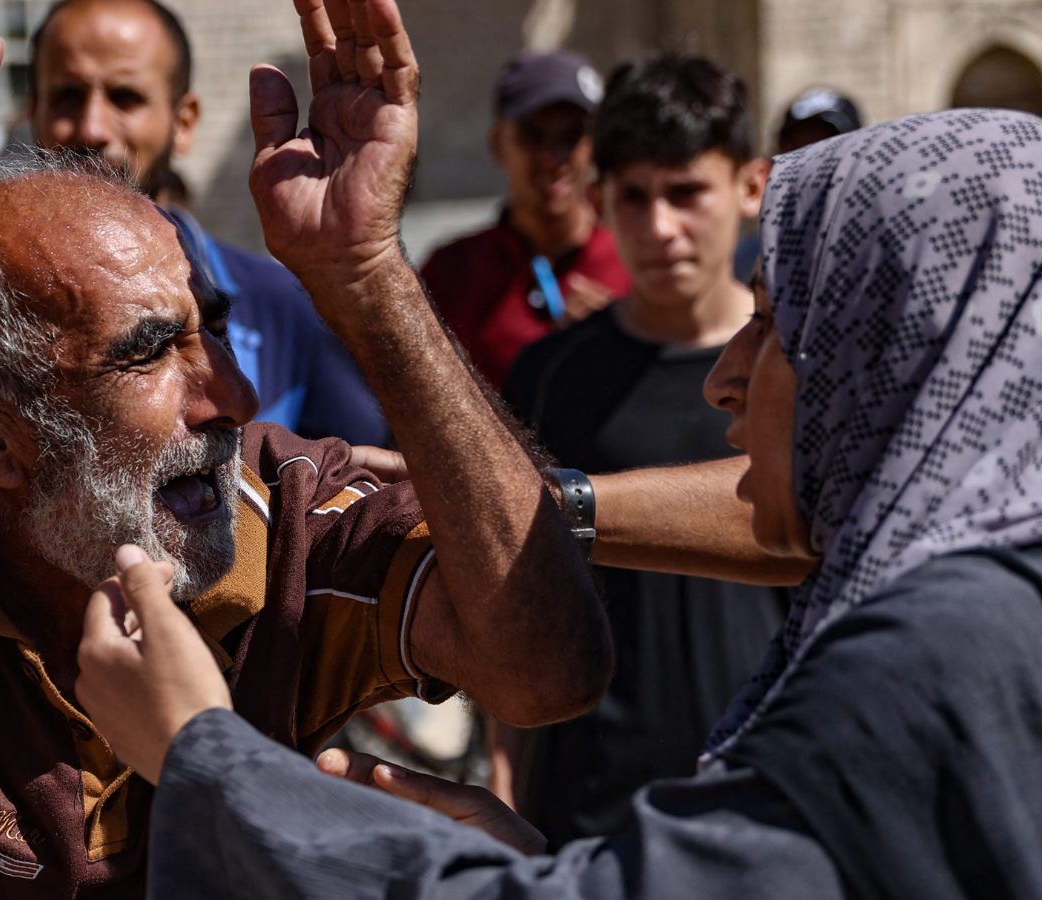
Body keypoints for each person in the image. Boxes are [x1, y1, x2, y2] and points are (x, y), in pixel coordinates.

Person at [80, 107, 1042, 899]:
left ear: (903, 352)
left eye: (778, 323)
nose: (727, 379)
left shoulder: (940, 654)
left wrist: (206, 756)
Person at [0, 0, 616, 890]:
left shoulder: (283, 505)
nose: (235, 398)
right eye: (149, 353)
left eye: (214, 333)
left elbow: (547, 672)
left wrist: (368, 275)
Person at [497, 53, 786, 846]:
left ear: (750, 187)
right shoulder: (550, 374)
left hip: (770, 797)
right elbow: (518, 581)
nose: (661, 228)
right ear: (601, 201)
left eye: (687, 192)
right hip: (592, 808)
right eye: (634, 197)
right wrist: (505, 759)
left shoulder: (801, 373)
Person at [26, 0, 390, 446]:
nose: (92, 127)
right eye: (67, 96)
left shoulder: (279, 307)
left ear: (184, 122)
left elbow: (375, 481)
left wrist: (367, 266)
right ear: (32, 110)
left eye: (126, 97)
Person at [420, 50, 632, 388]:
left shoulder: (635, 262)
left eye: (570, 137)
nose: (552, 158)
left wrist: (627, 334)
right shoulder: (451, 272)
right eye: (533, 137)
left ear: (594, 146)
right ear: (497, 146)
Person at [733, 87, 862, 283]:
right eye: (797, 153)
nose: (811, 168)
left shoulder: (878, 256)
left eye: (829, 151)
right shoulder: (743, 265)